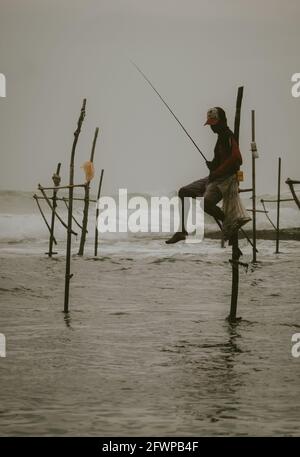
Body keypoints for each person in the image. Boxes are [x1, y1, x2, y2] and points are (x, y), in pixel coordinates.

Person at [166, 106, 250, 244]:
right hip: (214, 178)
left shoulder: (228, 136)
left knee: (205, 204)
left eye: (214, 124)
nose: (212, 128)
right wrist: (213, 165)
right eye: (210, 125)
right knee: (183, 192)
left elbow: (237, 158)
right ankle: (182, 231)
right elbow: (222, 160)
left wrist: (218, 171)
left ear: (222, 121)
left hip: (226, 180)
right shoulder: (220, 138)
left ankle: (228, 221)